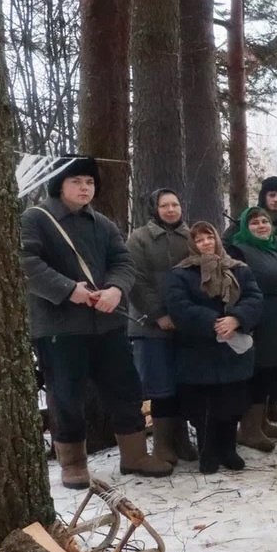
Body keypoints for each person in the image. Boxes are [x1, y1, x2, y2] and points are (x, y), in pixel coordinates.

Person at [23, 156, 173, 488]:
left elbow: (123, 261)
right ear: (59, 185)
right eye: (76, 181)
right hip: (60, 326)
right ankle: (73, 464)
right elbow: (25, 261)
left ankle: (134, 455)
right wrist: (67, 290)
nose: (84, 188)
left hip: (107, 326)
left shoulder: (103, 224)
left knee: (126, 388)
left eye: (89, 182)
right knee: (65, 395)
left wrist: (116, 290)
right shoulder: (36, 219)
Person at [164, 222, 264, 474]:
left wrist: (236, 319)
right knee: (203, 407)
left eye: (209, 237)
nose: (206, 243)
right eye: (199, 240)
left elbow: (254, 297)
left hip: (233, 347)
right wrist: (212, 322)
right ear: (192, 245)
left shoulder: (239, 269)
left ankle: (228, 449)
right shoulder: (181, 273)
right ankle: (208, 451)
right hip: (198, 348)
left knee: (231, 403)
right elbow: (178, 305)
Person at [127, 188, 198, 466]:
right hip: (151, 327)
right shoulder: (140, 238)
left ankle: (182, 440)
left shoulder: (191, 236)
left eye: (175, 204)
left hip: (186, 325)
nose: (171, 209)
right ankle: (162, 445)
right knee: (160, 387)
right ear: (154, 209)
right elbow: (136, 279)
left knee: (183, 384)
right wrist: (158, 314)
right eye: (165, 205)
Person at [228, 206, 277, 453]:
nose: (261, 226)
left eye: (264, 221)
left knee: (272, 370)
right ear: (244, 228)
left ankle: (261, 422)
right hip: (258, 319)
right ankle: (248, 429)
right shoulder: (239, 249)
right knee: (258, 372)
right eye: (254, 223)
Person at [223, 176, 277, 258]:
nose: (276, 199)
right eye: (272, 195)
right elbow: (222, 247)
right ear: (264, 197)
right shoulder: (243, 224)